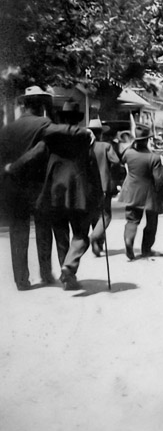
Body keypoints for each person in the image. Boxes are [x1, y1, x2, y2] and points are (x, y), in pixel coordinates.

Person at [0, 87, 92, 291]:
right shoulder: (43, 124)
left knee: (18, 232)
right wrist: (85, 132)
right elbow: (65, 132)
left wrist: (8, 170)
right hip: (38, 185)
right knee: (43, 229)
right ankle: (45, 273)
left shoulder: (7, 129)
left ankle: (21, 281)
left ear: (23, 104)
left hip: (13, 187)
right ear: (41, 105)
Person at [37, 100, 102, 290]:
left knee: (61, 234)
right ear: (77, 119)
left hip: (55, 191)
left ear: (63, 117)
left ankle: (67, 275)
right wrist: (98, 193)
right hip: (78, 193)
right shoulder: (84, 138)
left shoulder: (52, 137)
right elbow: (92, 166)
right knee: (81, 234)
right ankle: (69, 268)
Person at [118, 124, 163, 261]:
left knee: (132, 220)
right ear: (147, 140)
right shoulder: (154, 158)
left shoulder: (128, 153)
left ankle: (129, 240)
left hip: (132, 191)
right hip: (149, 194)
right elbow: (158, 180)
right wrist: (162, 195)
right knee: (152, 223)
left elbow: (121, 161)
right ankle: (146, 249)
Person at [87, 118, 120, 257]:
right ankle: (94, 237)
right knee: (106, 215)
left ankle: (99, 244)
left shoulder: (86, 147)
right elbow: (116, 161)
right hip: (104, 185)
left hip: (89, 186)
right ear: (100, 133)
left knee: (95, 215)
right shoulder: (106, 146)